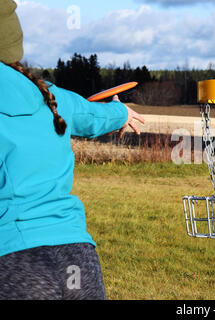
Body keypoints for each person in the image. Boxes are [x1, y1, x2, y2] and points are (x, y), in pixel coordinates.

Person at [0, 0, 145, 299]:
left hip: (15, 261)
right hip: (78, 257)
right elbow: (92, 115)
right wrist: (123, 114)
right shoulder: (47, 93)